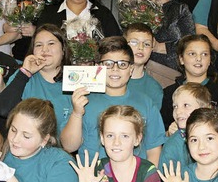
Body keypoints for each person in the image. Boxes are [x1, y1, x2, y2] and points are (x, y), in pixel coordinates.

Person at [60, 37, 166, 166]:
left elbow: (154, 149)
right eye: (108, 64)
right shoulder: (83, 100)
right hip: (93, 179)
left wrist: (147, 180)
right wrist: (77, 113)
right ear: (98, 67)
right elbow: (69, 146)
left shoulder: (145, 103)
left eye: (122, 64)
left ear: (131, 69)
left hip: (135, 179)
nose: (115, 69)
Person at [0, 24, 73, 135]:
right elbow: (4, 109)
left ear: (63, 50)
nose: (44, 49)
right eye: (38, 45)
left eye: (51, 43)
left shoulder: (74, 79)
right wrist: (25, 72)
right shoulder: (23, 75)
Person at [160, 34, 218, 133]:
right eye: (192, 54)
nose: (198, 58)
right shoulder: (169, 93)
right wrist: (169, 132)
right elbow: (160, 131)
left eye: (204, 54)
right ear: (181, 59)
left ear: (210, 60)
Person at [137, 0, 195, 70]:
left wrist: (161, 47)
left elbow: (190, 43)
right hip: (141, 72)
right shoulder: (136, 10)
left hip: (174, 73)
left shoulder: (180, 9)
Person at [124, 23, 163, 110]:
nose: (140, 47)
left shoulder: (154, 89)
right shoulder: (111, 79)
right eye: (134, 42)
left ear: (151, 49)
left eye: (146, 44)